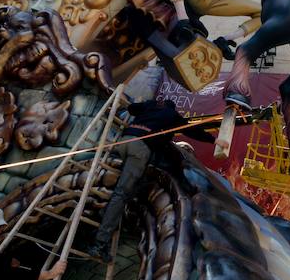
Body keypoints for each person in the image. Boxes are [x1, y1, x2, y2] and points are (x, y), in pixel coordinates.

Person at [77, 98, 215, 263]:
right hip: (139, 149)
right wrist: (213, 140)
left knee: (135, 186)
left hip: (124, 142)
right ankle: (99, 244)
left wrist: (145, 107)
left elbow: (132, 108)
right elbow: (191, 130)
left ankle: (104, 215)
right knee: (121, 194)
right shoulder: (171, 114)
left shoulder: (149, 106)